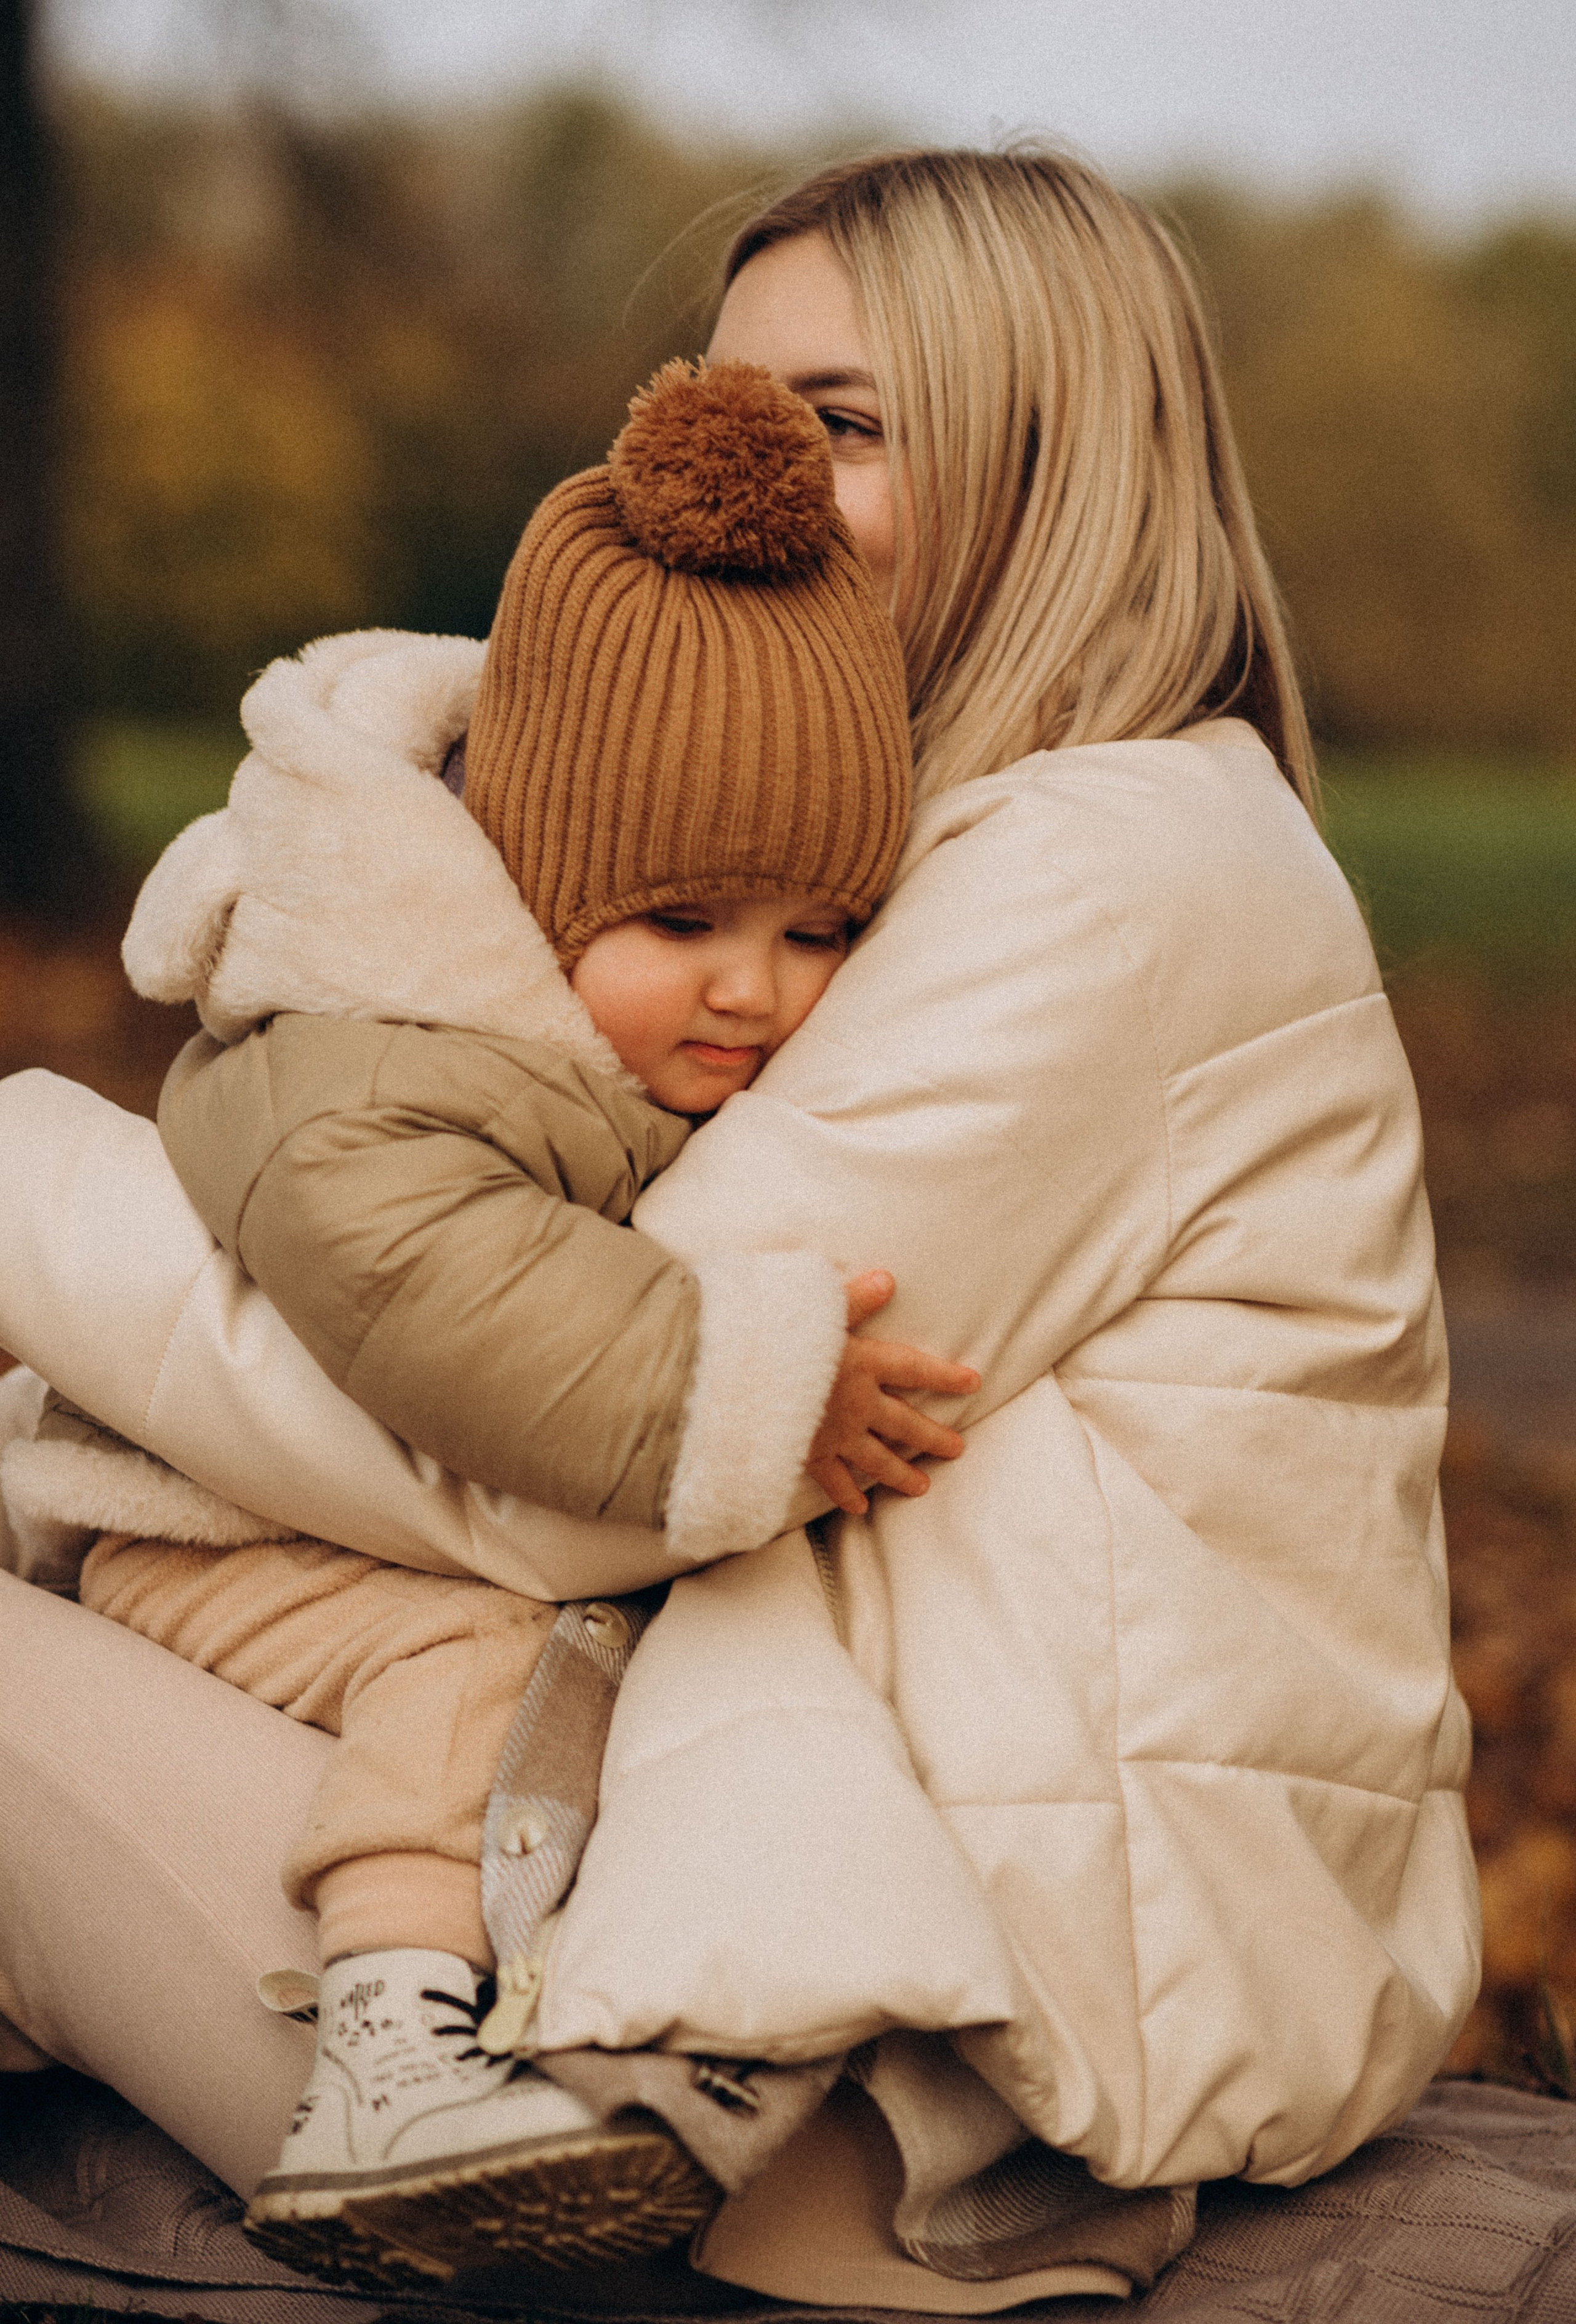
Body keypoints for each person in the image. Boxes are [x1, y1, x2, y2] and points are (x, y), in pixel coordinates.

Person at [0, 146, 1479, 2314]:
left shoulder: (1110, 871)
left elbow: (554, 1454)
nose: (749, 488)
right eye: (734, 412)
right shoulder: (892, 852)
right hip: (768, 1921)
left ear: (1051, 467)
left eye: (846, 424)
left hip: (886, 2086)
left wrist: (34, 1205)